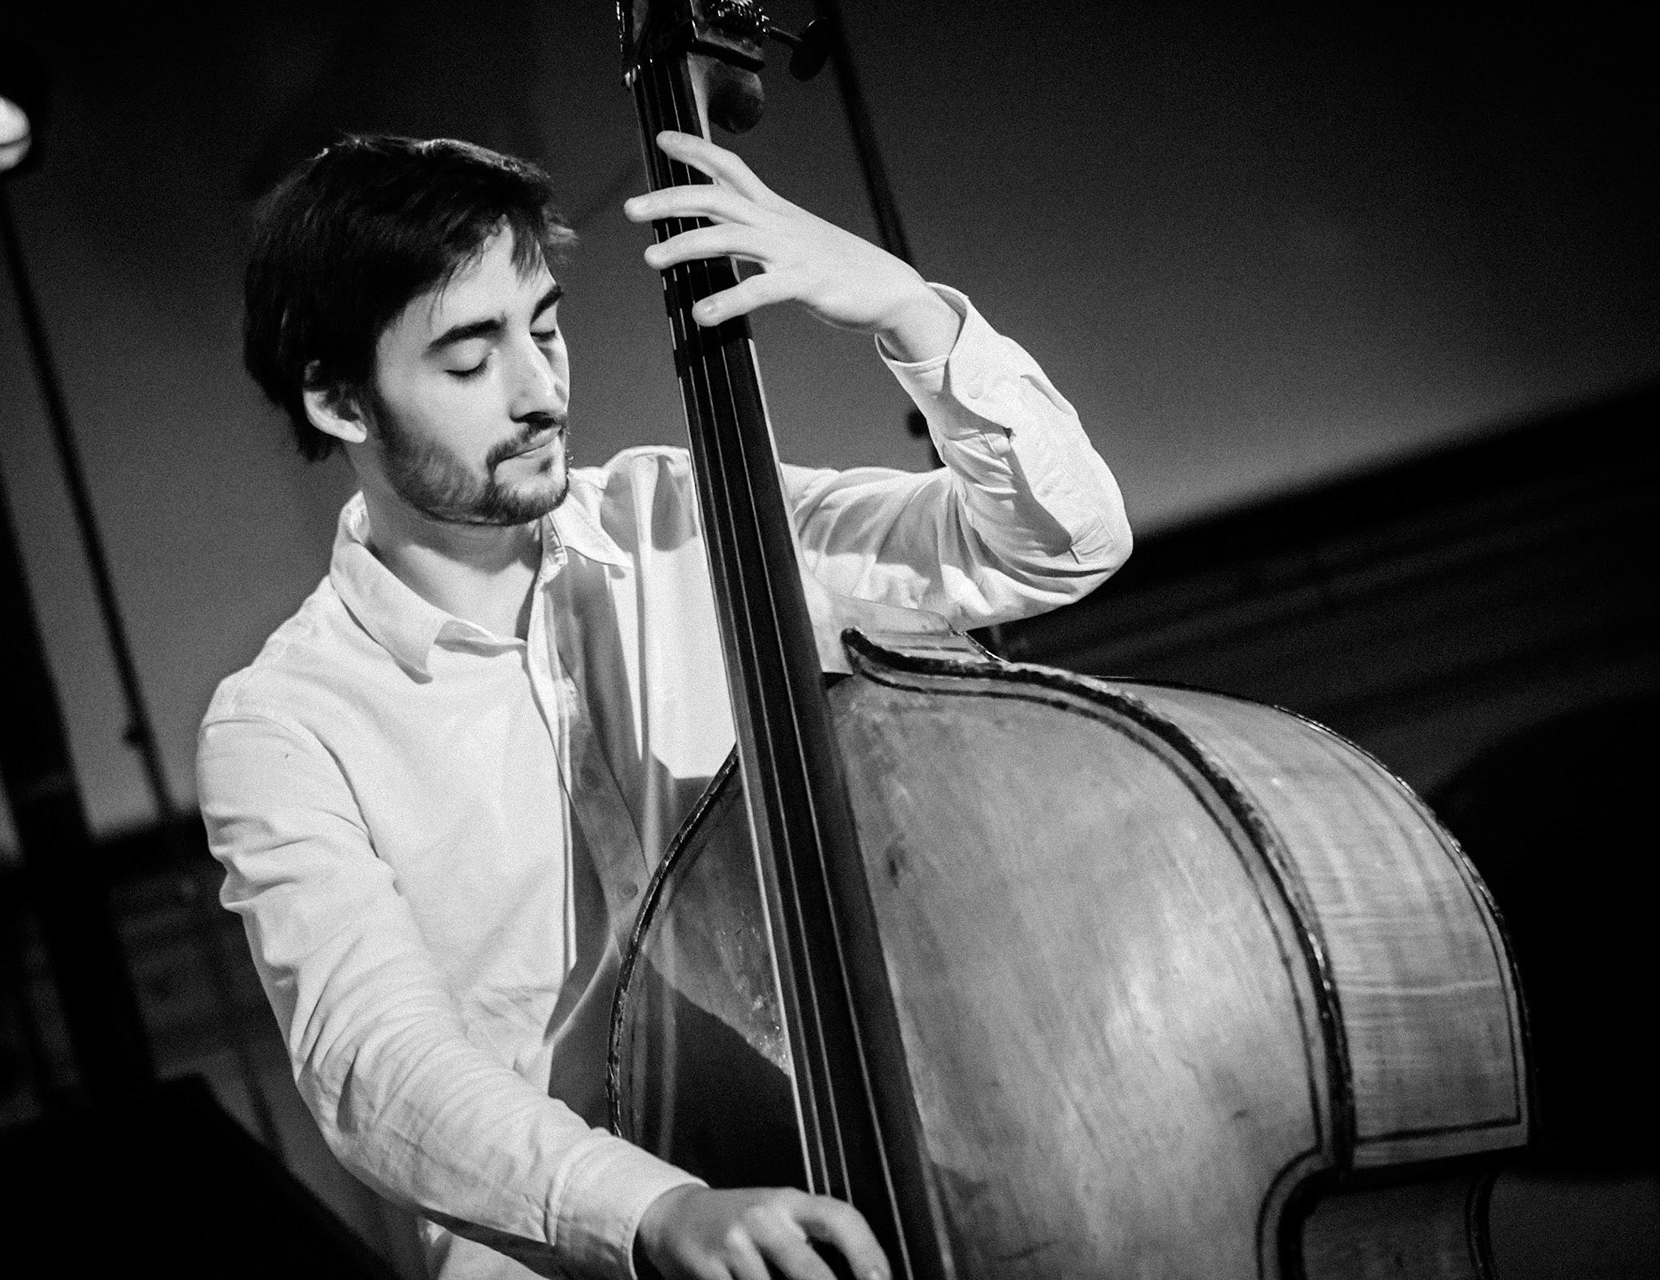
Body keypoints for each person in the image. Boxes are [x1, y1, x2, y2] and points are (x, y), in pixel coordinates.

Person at [198, 129, 1131, 1280]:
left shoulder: (691, 512)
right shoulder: (283, 725)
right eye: (468, 358)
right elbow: (374, 1064)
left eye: (543, 327)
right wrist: (654, 1211)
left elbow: (1053, 547)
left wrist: (910, 314)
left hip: (869, 1180)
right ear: (341, 402)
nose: (540, 390)